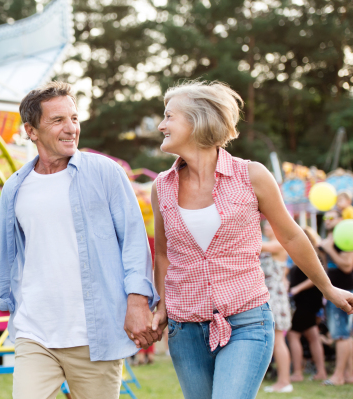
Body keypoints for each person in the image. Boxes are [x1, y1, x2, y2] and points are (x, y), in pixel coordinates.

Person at [149, 80, 353, 399]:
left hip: (246, 321)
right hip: (184, 328)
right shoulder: (162, 186)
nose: (161, 125)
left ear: (197, 119)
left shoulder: (251, 175)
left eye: (168, 116)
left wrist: (328, 287)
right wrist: (161, 306)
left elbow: (291, 235)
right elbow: (163, 254)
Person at [0, 81, 159, 399]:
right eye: (58, 121)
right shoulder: (15, 187)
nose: (71, 129)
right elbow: (3, 255)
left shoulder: (106, 173)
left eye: (74, 119)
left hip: (95, 335)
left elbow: (134, 243)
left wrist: (138, 303)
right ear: (32, 130)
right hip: (34, 332)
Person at [288, 227, 327, 383]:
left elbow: (316, 276)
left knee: (293, 334)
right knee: (313, 335)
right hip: (306, 300)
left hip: (307, 300)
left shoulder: (312, 254)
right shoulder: (304, 253)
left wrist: (298, 288)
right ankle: (322, 372)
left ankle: (297, 372)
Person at [319, 209, 353, 386]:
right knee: (344, 335)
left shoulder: (346, 236)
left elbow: (347, 265)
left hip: (345, 292)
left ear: (341, 218)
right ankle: (348, 375)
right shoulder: (329, 240)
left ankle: (338, 376)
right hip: (334, 291)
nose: (327, 220)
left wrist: (329, 248)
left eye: (332, 217)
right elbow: (326, 266)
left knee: (341, 335)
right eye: (325, 217)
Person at [260, 222, 293, 393]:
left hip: (275, 296)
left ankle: (284, 381)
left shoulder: (279, 244)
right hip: (269, 294)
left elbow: (257, 246)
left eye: (270, 225)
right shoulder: (271, 244)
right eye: (265, 225)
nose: (266, 227)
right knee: (275, 340)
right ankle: (282, 380)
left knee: (278, 340)